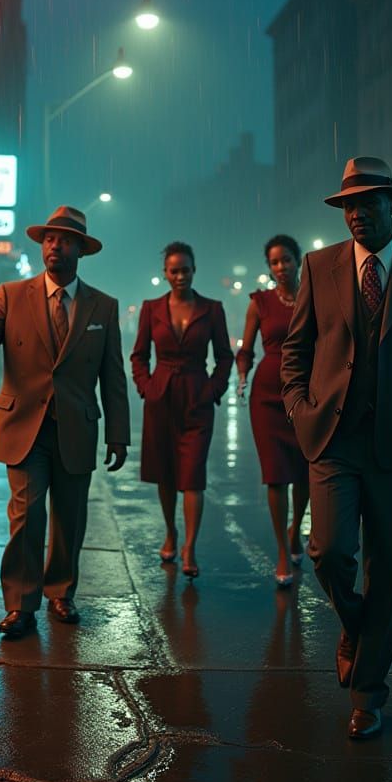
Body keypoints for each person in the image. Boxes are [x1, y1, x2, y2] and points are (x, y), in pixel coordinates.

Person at [280, 156, 392, 740]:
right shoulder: (320, 266)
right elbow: (296, 350)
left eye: (368, 204)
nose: (356, 214)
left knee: (388, 566)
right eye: (348, 206)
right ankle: (354, 625)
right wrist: (299, 407)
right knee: (329, 552)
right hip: (332, 438)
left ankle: (368, 693)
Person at [0, 205, 130, 639]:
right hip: (25, 425)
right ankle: (21, 605)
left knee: (70, 517)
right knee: (26, 515)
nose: (54, 245)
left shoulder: (104, 307)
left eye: (64, 239)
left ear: (81, 249)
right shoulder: (11, 294)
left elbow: (113, 377)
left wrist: (119, 434)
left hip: (76, 427)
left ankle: (61, 591)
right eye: (48, 239)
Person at [130, 242, 233, 579]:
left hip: (196, 398)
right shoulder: (151, 308)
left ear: (194, 269)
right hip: (160, 397)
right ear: (165, 273)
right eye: (173, 270)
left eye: (185, 269)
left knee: (192, 475)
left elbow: (224, 356)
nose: (179, 276)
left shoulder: (212, 309)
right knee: (164, 471)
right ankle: (170, 533)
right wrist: (146, 386)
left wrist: (214, 389)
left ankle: (189, 545)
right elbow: (139, 354)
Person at [236, 235, 310, 588]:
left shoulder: (315, 295)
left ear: (299, 260)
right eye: (274, 263)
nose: (281, 268)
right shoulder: (260, 302)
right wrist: (241, 376)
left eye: (287, 260)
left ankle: (297, 528)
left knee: (307, 471)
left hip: (307, 392)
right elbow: (246, 347)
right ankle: (282, 548)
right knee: (276, 474)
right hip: (266, 396)